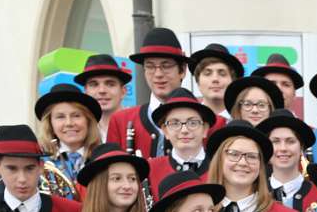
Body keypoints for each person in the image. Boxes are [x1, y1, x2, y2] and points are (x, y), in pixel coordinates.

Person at [106, 27, 189, 159]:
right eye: (150, 66)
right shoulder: (121, 121)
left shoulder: (203, 119)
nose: (158, 74)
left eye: (166, 66)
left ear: (183, 70)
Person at [259, 110, 317, 212]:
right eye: (275, 141)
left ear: (301, 147)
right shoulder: (254, 196)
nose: (283, 148)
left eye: (290, 141)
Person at [147, 89, 216, 190]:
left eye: (192, 123)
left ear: (205, 129)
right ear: (165, 131)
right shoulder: (151, 169)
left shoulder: (221, 166)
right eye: (175, 123)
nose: (184, 130)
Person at [34, 84, 102, 182]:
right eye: (60, 117)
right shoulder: (39, 162)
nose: (69, 123)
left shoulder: (102, 158)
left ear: (88, 120)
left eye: (76, 115)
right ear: (50, 123)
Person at [73, 54, 131, 141]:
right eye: (94, 84)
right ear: (86, 92)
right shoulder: (77, 129)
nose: (102, 90)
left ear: (123, 91)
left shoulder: (139, 122)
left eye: (110, 84)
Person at [189, 42, 243, 123]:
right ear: (198, 81)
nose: (215, 79)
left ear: (232, 81)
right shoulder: (187, 120)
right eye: (207, 73)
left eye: (222, 74)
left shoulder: (245, 119)